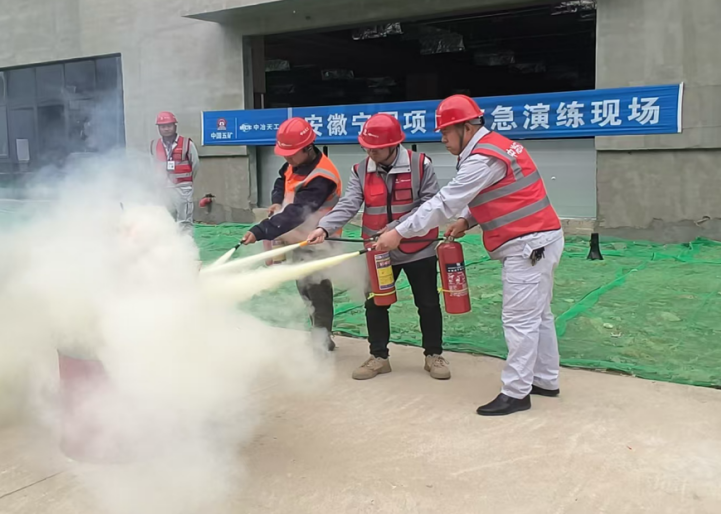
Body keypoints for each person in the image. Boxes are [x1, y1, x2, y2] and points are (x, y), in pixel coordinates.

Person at [373, 95, 564, 416]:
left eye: (446, 131)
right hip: (540, 239)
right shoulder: (494, 147)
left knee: (519, 321)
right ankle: (545, 379)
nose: (442, 138)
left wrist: (399, 232)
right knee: (538, 316)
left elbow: (444, 202)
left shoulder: (482, 159)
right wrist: (467, 219)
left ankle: (516, 392)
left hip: (528, 245)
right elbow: (499, 192)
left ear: (467, 127)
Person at [306, 114, 450, 381]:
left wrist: (397, 228)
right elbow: (349, 203)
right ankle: (379, 357)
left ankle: (433, 355)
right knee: (375, 303)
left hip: (418, 247)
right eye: (367, 147)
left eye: (376, 148)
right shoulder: (360, 170)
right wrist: (324, 228)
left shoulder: (420, 165)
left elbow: (430, 204)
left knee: (428, 302)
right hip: (378, 250)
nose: (370, 153)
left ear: (394, 144)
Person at [241, 117, 343, 351]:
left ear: (308, 148)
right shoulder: (294, 163)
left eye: (291, 153)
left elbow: (297, 213)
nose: (287, 159)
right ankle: (317, 333)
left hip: (320, 239)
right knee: (304, 286)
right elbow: (282, 180)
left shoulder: (322, 176)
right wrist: (277, 201)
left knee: (317, 288)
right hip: (298, 236)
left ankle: (322, 340)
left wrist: (260, 230)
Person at [150, 111, 199, 232]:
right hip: (163, 187)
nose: (166, 129)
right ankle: (169, 242)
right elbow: (152, 164)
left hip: (182, 187)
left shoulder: (187, 143)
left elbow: (195, 164)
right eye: (162, 126)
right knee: (165, 218)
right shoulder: (154, 145)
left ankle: (186, 242)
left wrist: (186, 181)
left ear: (175, 126)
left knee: (184, 219)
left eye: (169, 125)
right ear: (158, 128)